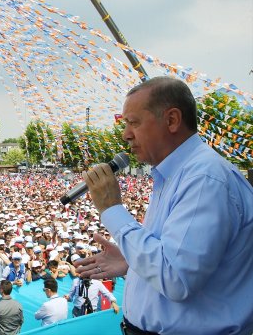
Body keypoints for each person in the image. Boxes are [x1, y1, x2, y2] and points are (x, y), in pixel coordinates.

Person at [75, 77, 253, 335]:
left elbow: (176, 279)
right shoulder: (176, 175)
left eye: (134, 123)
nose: (126, 135)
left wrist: (112, 208)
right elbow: (177, 257)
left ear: (171, 120)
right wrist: (132, 259)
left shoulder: (204, 179)